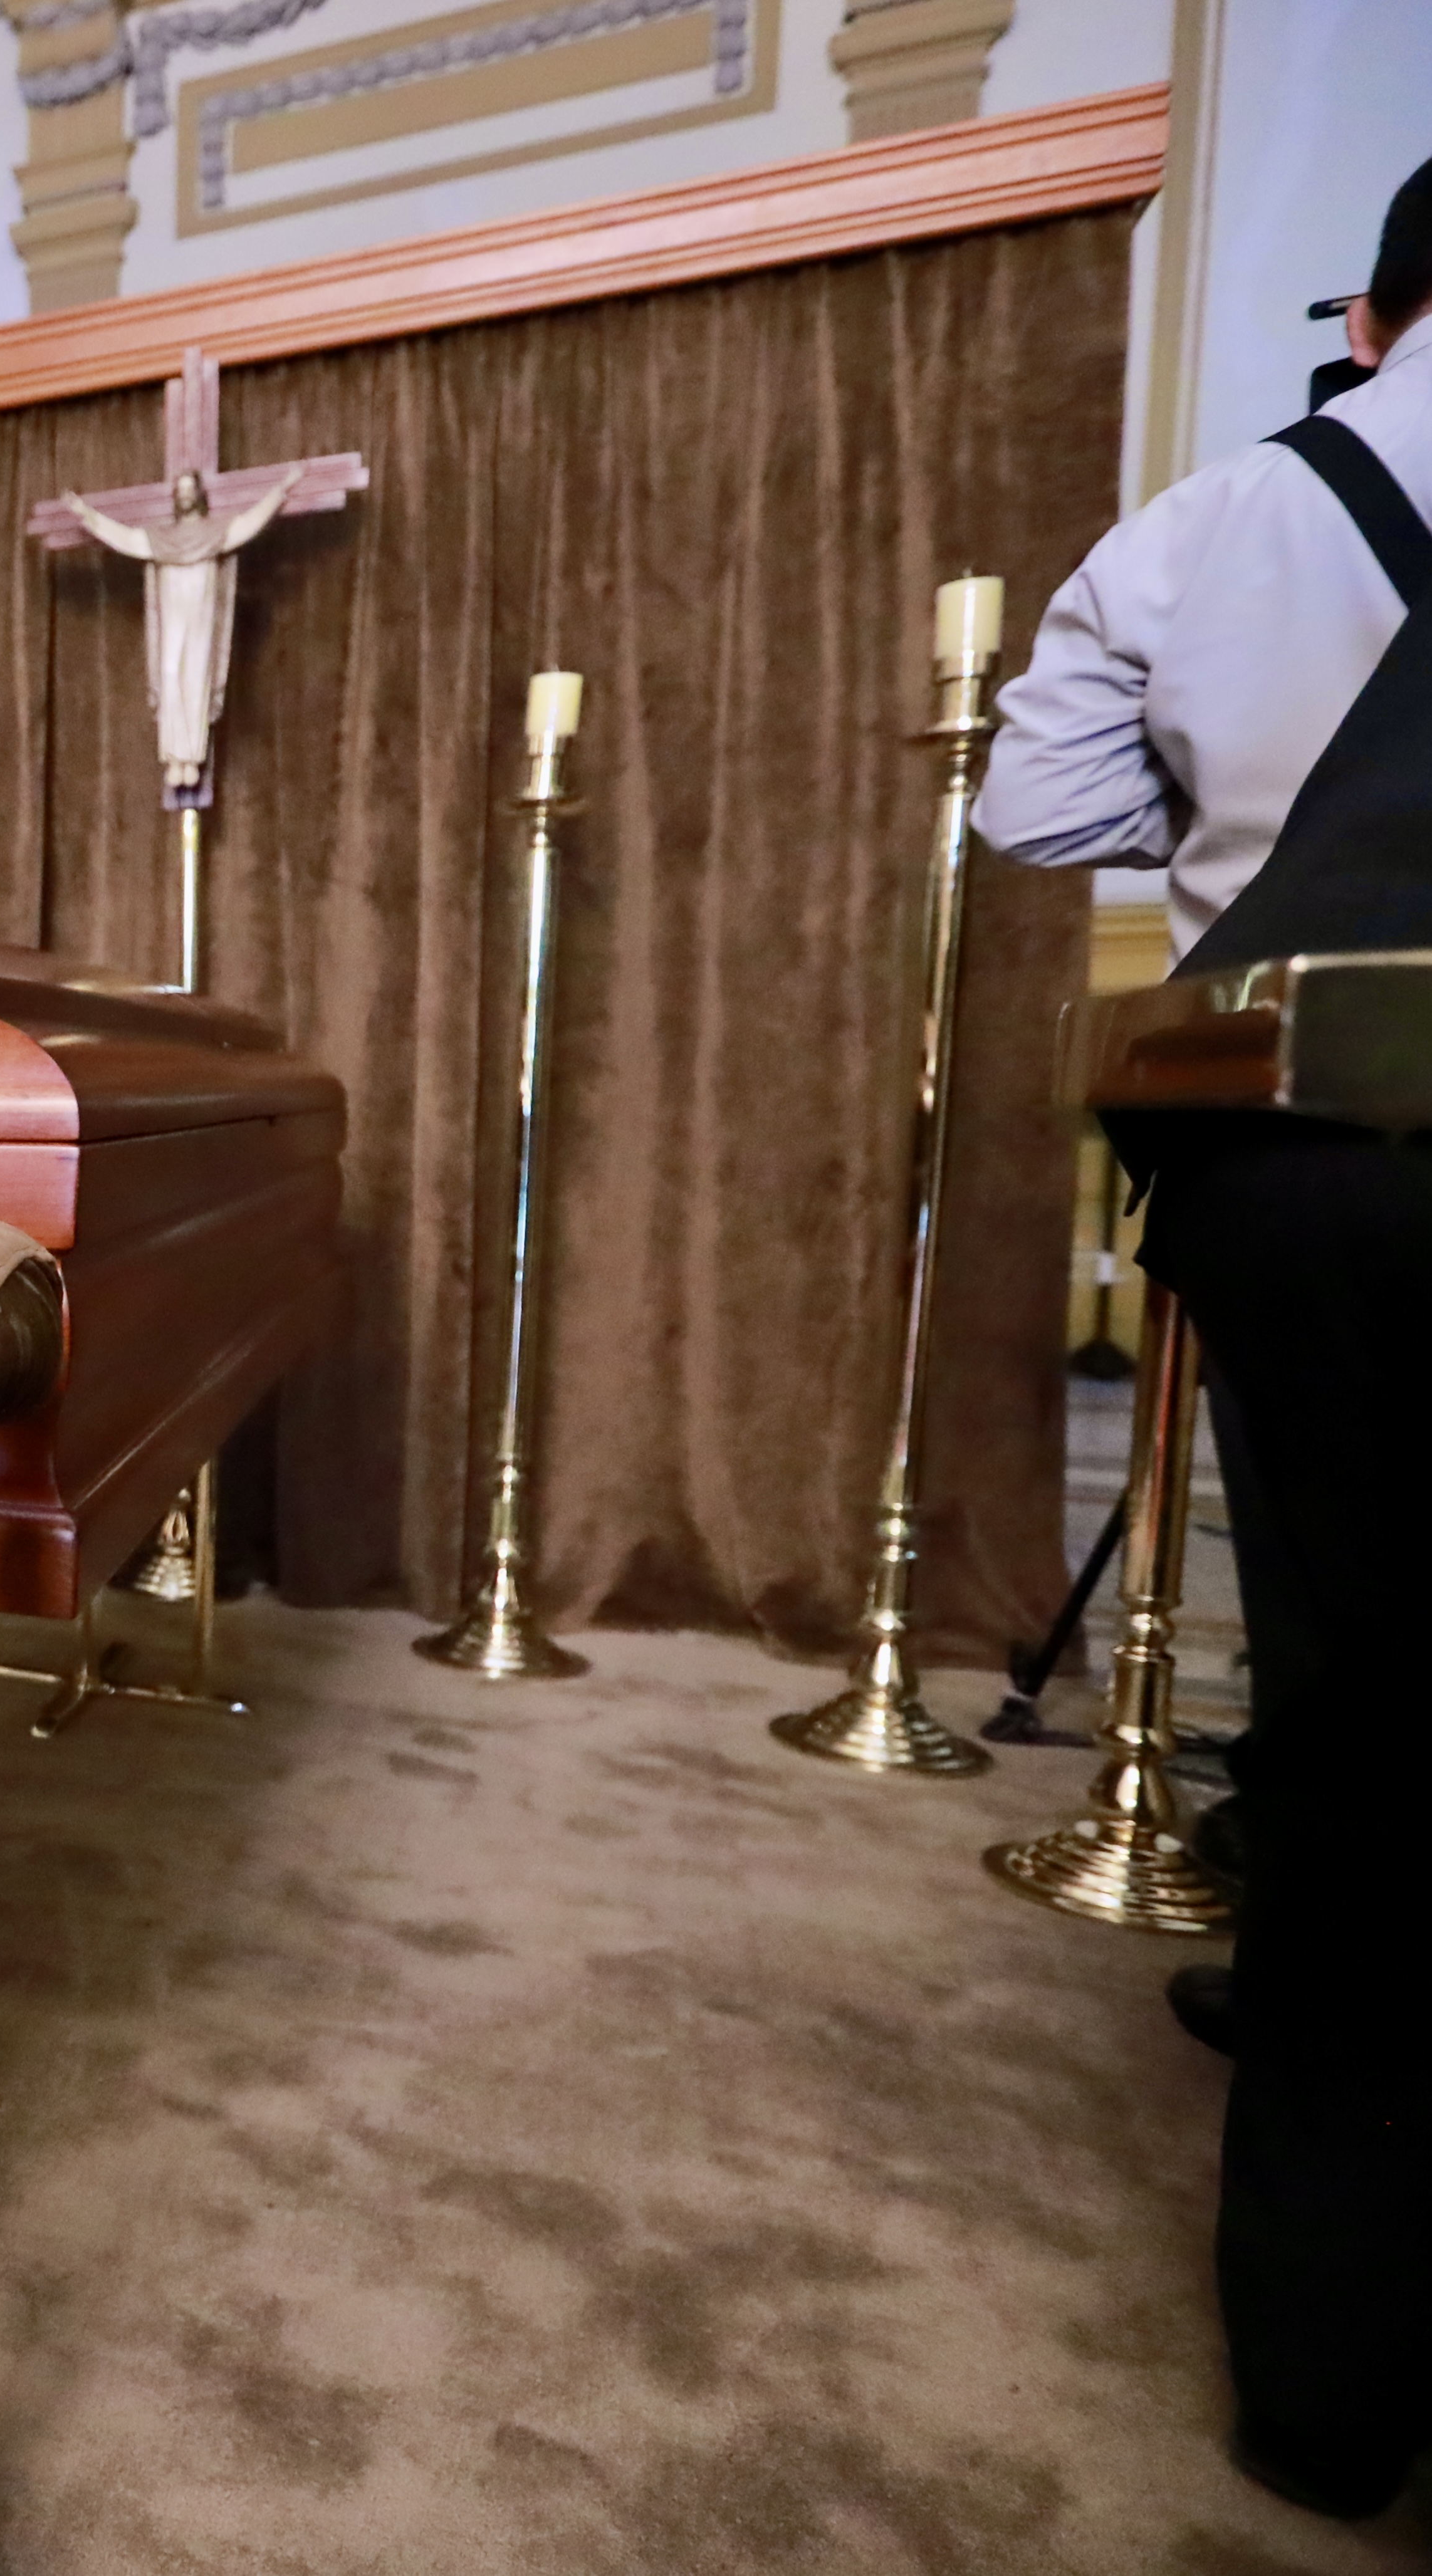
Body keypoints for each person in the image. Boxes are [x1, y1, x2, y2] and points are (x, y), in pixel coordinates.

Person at [976, 155, 1432, 2521]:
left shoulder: (1227, 515)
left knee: (1356, 1688)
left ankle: (1332, 2367)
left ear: (1374, 315)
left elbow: (1034, 804)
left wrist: (1234, 804)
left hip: (1331, 1130)